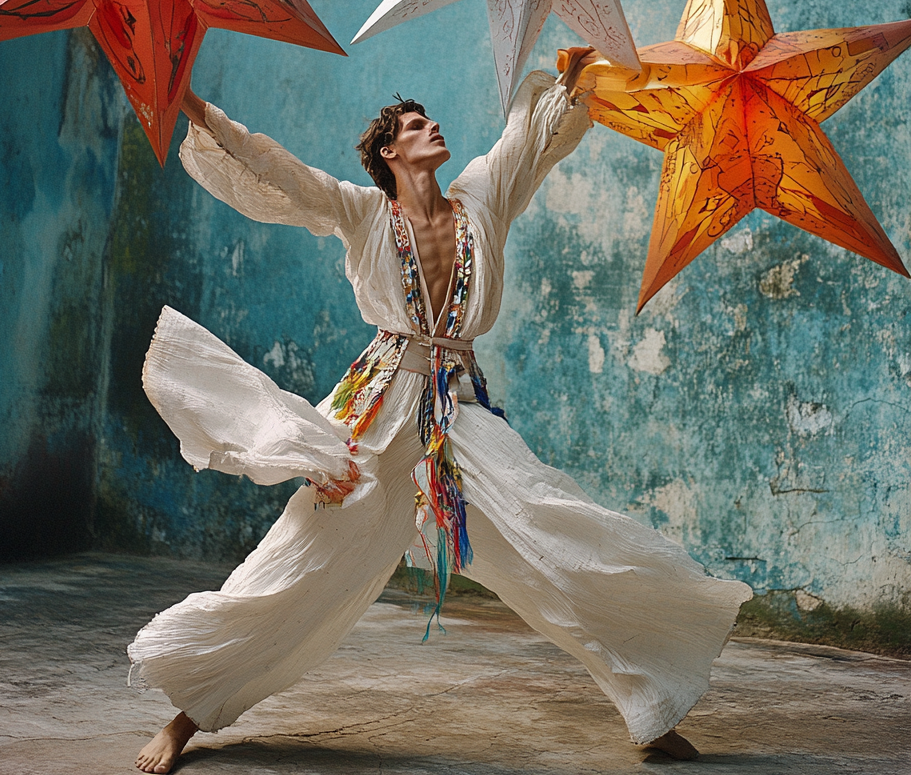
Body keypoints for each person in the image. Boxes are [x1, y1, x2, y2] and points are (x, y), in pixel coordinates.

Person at [131, 50, 752, 773]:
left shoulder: (480, 198)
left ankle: (651, 707)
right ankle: (184, 718)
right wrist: (196, 106)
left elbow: (528, 140)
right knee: (299, 566)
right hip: (377, 413)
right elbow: (278, 172)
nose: (435, 128)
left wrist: (575, 81)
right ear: (391, 152)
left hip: (455, 415)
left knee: (550, 528)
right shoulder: (363, 211)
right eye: (419, 125)